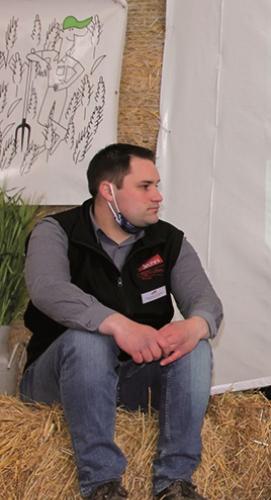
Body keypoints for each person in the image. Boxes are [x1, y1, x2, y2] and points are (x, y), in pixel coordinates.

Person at [21, 143, 222, 500]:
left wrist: (195, 325)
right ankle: (101, 485)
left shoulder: (169, 240)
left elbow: (205, 301)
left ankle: (175, 482)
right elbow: (47, 289)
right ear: (108, 191)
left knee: (196, 347)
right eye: (146, 186)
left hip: (131, 380)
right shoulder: (56, 231)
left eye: (157, 185)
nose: (158, 196)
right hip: (56, 379)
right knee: (89, 340)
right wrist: (115, 323)